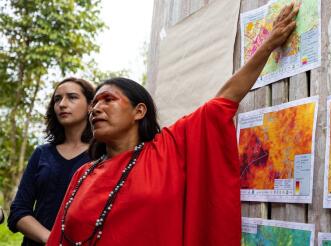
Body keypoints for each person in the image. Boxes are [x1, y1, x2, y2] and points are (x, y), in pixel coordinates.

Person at [47, 3, 300, 246]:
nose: (96, 108)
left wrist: (268, 45)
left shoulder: (167, 149)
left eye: (108, 100)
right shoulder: (83, 174)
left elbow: (224, 100)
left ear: (139, 111)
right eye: (94, 104)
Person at [8, 78, 95, 245]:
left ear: (91, 105)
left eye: (72, 97)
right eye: (57, 99)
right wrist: (51, 239)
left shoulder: (103, 155)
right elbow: (18, 210)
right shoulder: (42, 153)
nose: (62, 104)